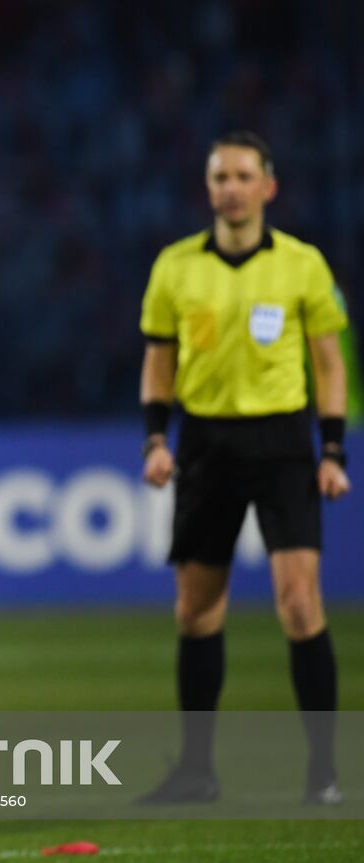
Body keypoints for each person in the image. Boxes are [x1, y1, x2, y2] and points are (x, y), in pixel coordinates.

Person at [137, 131, 351, 805]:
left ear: (268, 186)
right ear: (209, 188)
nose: (230, 187)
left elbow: (328, 364)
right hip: (205, 444)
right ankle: (197, 771)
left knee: (299, 601)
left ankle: (323, 771)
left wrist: (334, 450)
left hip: (282, 442)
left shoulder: (302, 265)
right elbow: (159, 361)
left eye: (242, 175)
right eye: (219, 176)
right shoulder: (175, 267)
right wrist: (155, 440)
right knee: (196, 610)